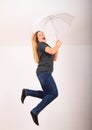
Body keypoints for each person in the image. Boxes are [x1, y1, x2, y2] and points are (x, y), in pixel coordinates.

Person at [21, 31, 62, 125]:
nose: (43, 35)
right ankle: (35, 111)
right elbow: (52, 51)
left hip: (44, 73)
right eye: (40, 35)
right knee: (54, 93)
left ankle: (27, 92)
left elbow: (54, 57)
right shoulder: (41, 45)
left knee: (47, 94)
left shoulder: (46, 46)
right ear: (38, 39)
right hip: (44, 72)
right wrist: (57, 46)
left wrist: (57, 47)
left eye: (43, 34)